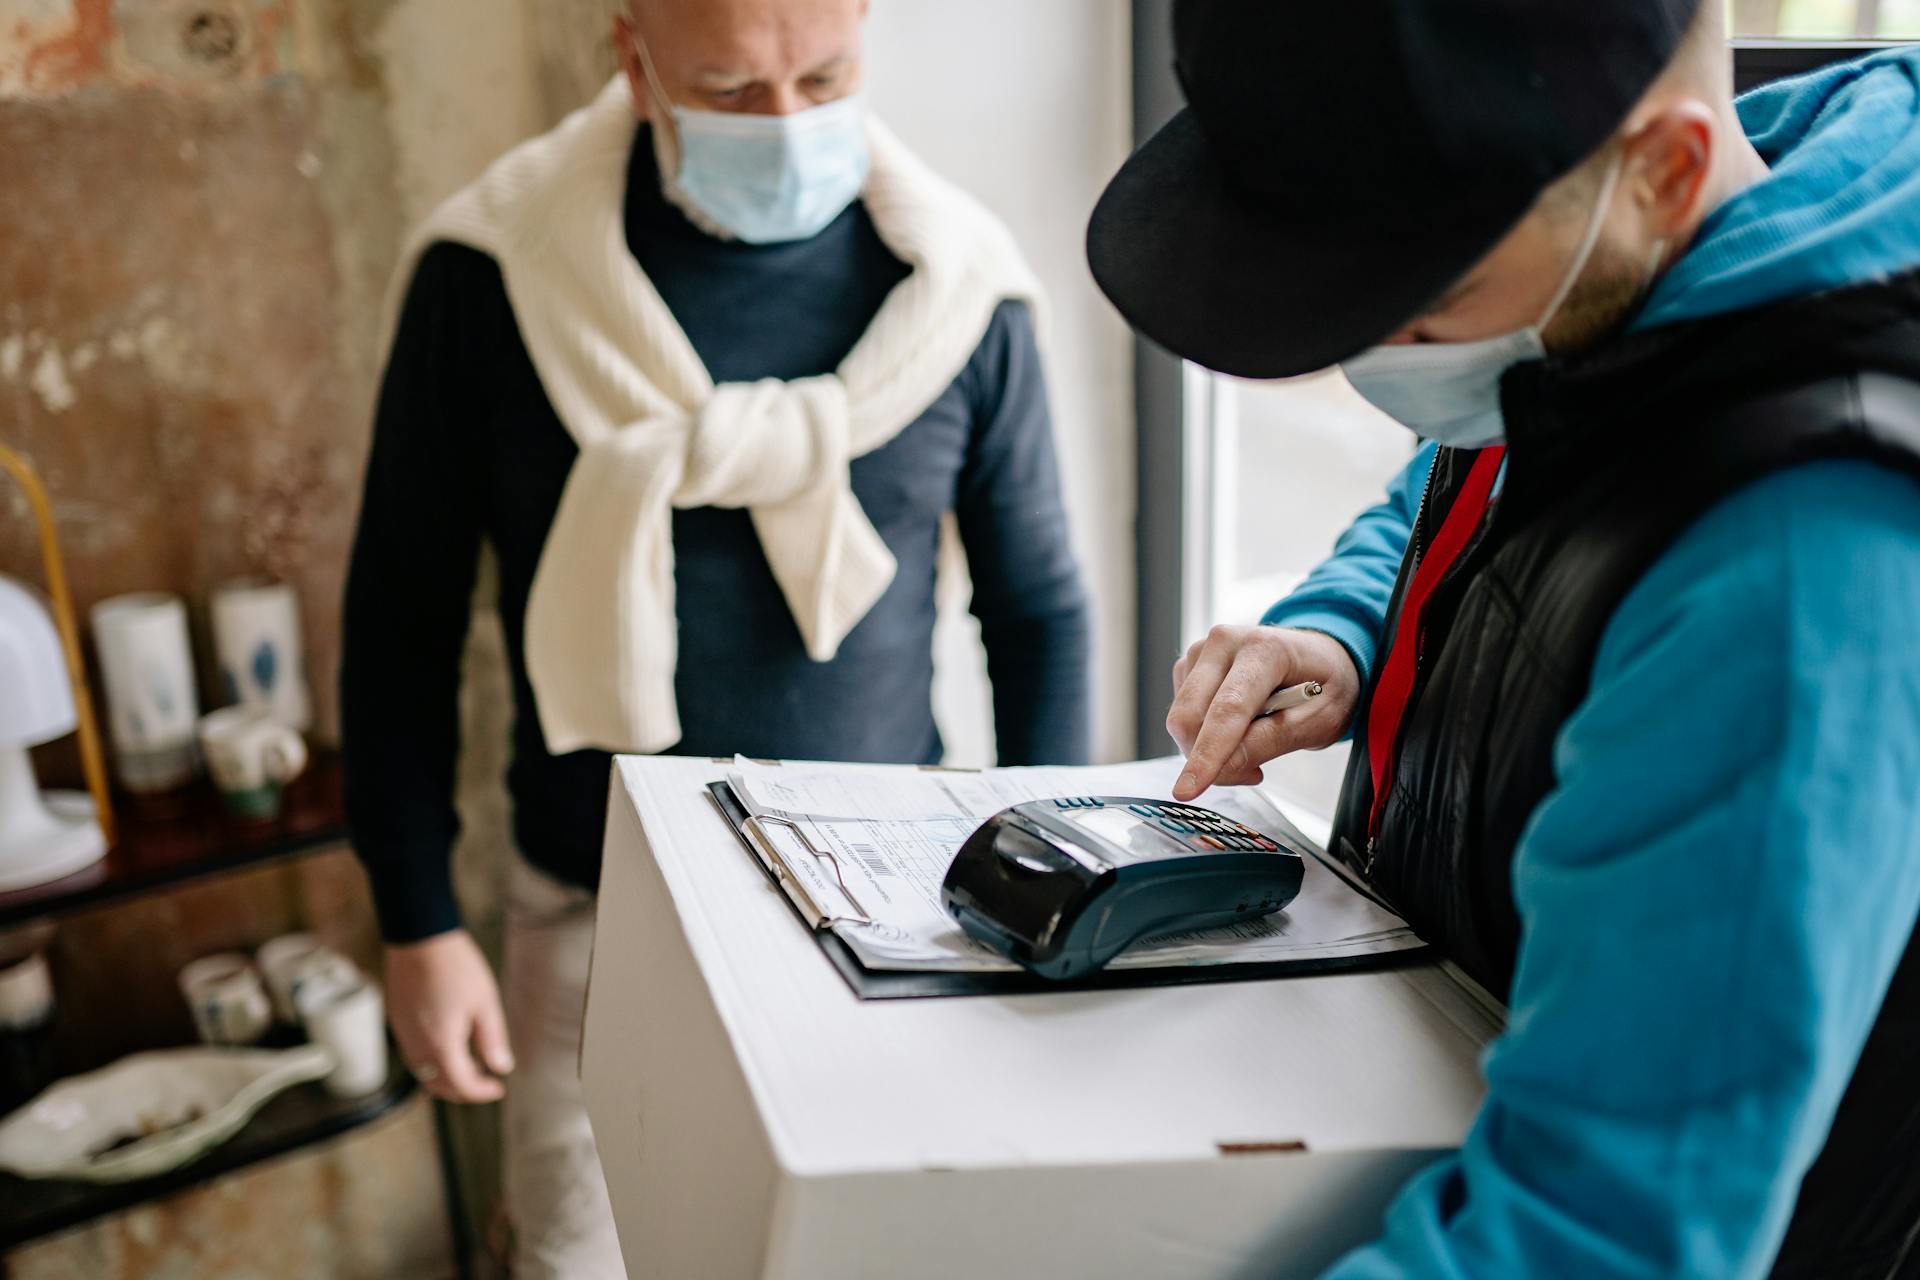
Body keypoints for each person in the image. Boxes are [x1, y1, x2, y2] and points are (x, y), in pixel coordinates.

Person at [1090, 1, 1920, 1276]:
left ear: (1666, 170)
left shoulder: (1800, 576)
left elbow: (1595, 1236)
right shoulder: (1641, 270)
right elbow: (1471, 456)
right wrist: (1351, 621)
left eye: (1427, 298)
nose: (1370, 351)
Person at [340, 0, 1091, 1272]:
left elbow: (1038, 612)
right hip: (590, 907)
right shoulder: (492, 273)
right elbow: (398, 623)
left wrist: (1056, 899)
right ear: (634, 61)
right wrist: (416, 922)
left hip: (898, 902)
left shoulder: (959, 289)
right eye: (733, 91)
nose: (790, 122)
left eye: (827, 74)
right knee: (579, 1255)